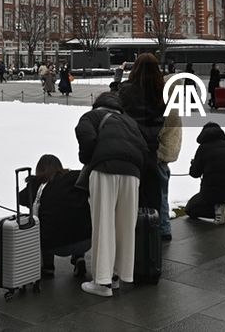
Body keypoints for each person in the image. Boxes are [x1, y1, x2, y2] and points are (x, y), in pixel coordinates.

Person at [75, 91, 146, 297]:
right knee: (125, 226)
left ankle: (102, 281)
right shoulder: (129, 121)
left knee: (103, 223)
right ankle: (118, 275)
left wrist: (90, 156)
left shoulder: (91, 116)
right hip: (132, 173)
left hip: (104, 169)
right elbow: (144, 150)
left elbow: (86, 140)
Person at [17, 155, 92, 278]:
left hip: (55, 246)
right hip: (86, 241)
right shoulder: (76, 177)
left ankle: (48, 267)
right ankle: (79, 258)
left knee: (43, 225)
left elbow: (21, 199)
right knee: (77, 217)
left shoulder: (37, 184)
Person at [118, 53, 166, 212]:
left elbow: (113, 102)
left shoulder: (127, 90)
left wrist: (118, 77)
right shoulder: (161, 91)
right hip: (151, 146)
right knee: (152, 193)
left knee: (132, 194)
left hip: (131, 144)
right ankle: (153, 228)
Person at [185, 121, 225, 224]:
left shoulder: (203, 148)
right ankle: (221, 207)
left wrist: (195, 164)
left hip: (211, 192)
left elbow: (194, 173)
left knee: (190, 209)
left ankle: (217, 211)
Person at [157, 97, 182, 241]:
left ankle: (163, 228)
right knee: (163, 195)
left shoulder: (168, 111)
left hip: (159, 157)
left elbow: (159, 132)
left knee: (160, 195)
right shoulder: (174, 109)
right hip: (165, 157)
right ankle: (164, 228)